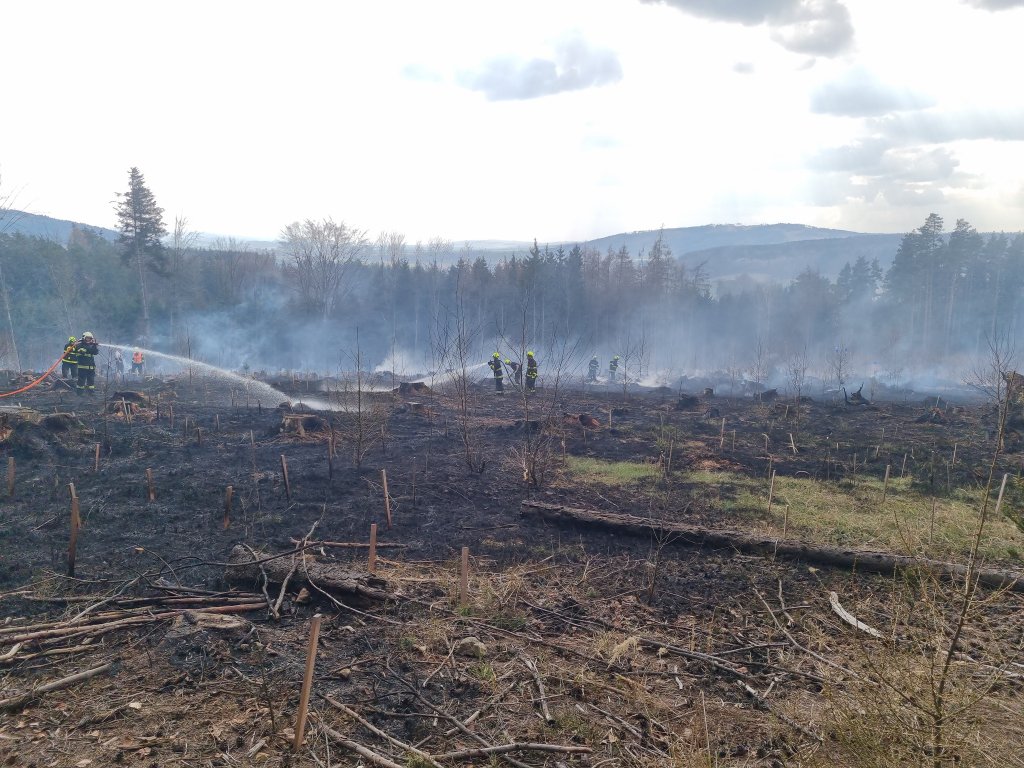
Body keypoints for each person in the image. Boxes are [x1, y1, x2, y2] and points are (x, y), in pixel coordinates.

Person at [74, 332, 100, 396]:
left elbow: (95, 352)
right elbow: (83, 350)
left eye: (90, 339)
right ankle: (79, 393)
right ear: (84, 337)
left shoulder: (91, 345)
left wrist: (94, 345)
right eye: (87, 338)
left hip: (91, 367)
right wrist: (91, 345)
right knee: (81, 381)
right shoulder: (79, 345)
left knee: (91, 381)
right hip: (82, 367)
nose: (89, 340)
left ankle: (91, 393)